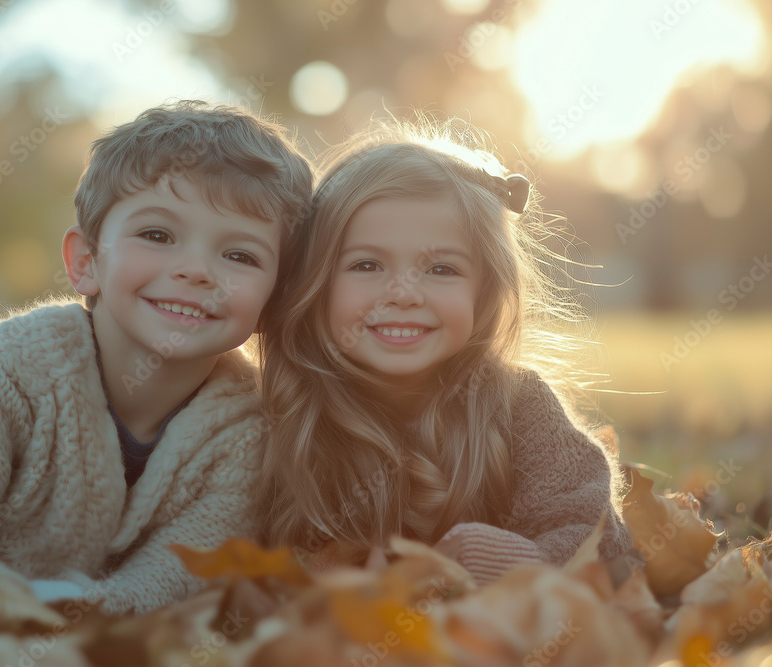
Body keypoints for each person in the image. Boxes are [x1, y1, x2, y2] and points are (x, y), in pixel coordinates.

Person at [0, 101, 313, 621]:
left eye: (240, 255)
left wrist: (86, 609)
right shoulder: (24, 359)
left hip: (85, 595)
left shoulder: (246, 426)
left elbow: (186, 562)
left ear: (275, 300)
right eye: (157, 235)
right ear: (86, 262)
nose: (196, 270)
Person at [255, 118, 632, 584]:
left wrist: (517, 565)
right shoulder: (283, 410)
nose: (403, 293)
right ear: (314, 283)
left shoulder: (519, 406)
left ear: (485, 289)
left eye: (440, 269)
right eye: (367, 264)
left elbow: (602, 540)